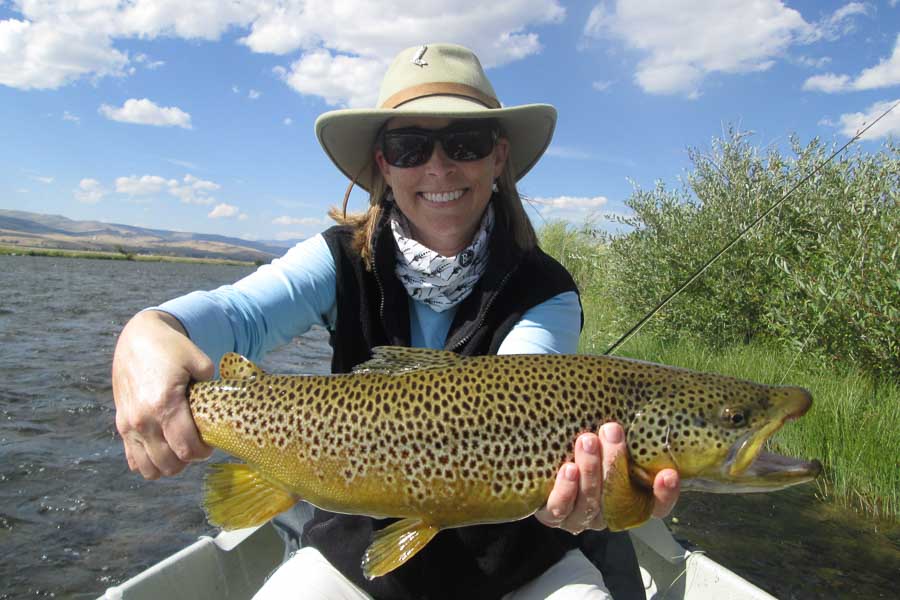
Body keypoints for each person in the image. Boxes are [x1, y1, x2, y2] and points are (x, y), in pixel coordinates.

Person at [112, 43, 680, 599]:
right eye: (410, 146)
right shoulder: (338, 258)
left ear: (498, 156)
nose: (438, 166)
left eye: (465, 141)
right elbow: (237, 313)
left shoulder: (546, 289)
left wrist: (604, 488)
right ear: (384, 162)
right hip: (357, 553)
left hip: (521, 561)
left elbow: (517, 394)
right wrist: (151, 331)